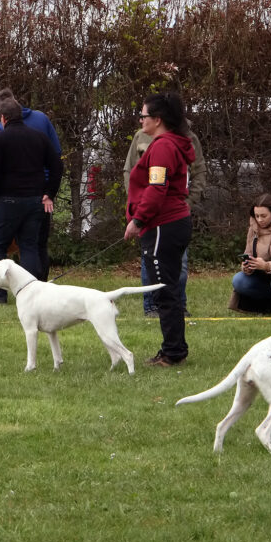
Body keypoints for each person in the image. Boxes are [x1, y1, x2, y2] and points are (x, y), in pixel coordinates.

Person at [124, 92, 194, 367]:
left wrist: (138, 220)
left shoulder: (163, 147)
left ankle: (173, 352)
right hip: (170, 223)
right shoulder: (167, 143)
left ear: (157, 119)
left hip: (163, 225)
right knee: (169, 288)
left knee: (164, 290)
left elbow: (157, 187)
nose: (140, 120)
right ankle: (174, 348)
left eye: (143, 115)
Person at [0, 96, 63, 304]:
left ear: (3, 118)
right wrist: (49, 192)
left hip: (8, 199)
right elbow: (57, 165)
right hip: (35, 199)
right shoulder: (38, 137)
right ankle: (32, 295)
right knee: (29, 246)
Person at [123, 127, 207, 317]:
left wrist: (187, 202)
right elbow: (130, 171)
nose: (141, 120)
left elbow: (199, 171)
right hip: (149, 213)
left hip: (174, 215)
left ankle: (177, 306)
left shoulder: (187, 137)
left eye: (145, 116)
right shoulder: (141, 135)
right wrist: (139, 205)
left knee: (179, 262)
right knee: (150, 260)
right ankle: (152, 306)